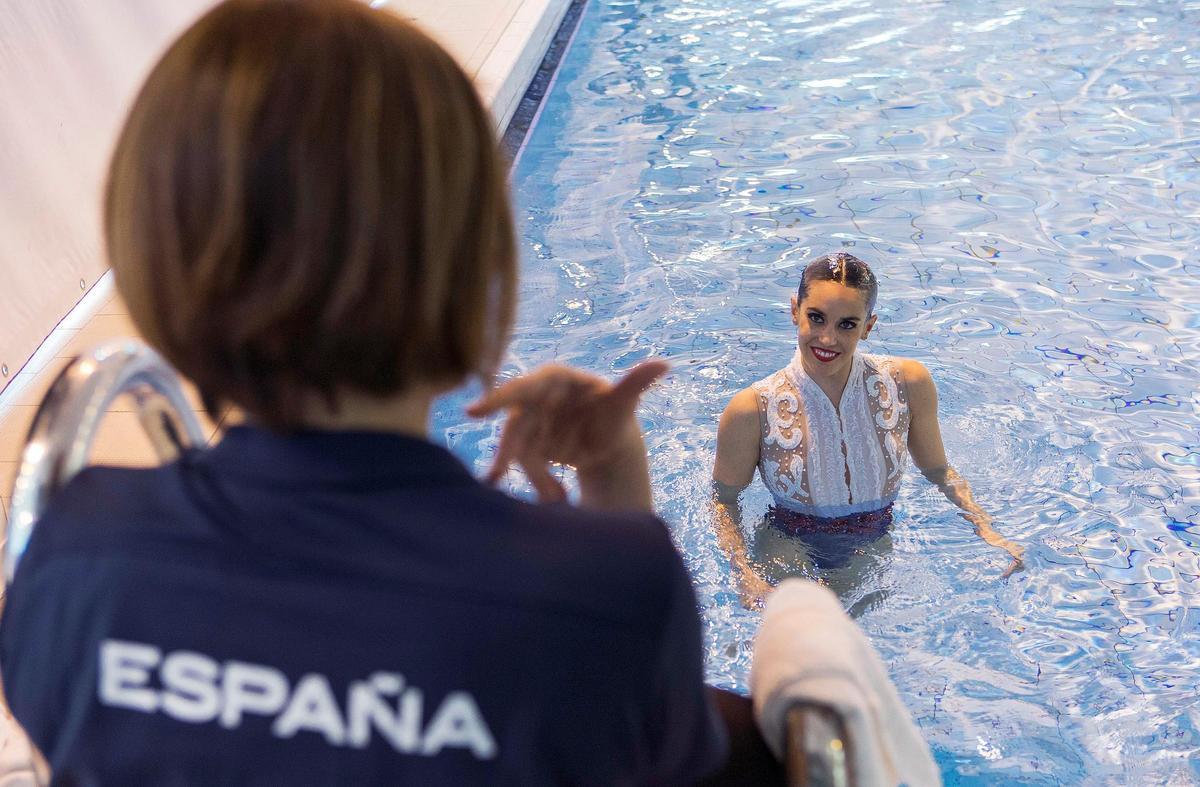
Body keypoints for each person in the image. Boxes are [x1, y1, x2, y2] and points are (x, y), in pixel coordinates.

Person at [0, 1, 781, 782]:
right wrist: (616, 500)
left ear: (155, 268)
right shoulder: (602, 594)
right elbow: (633, 739)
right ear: (480, 283)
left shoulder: (76, 551)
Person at [713, 252, 1024, 608]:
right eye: (816, 318)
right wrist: (744, 573)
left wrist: (986, 530)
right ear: (795, 311)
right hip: (787, 543)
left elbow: (939, 471)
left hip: (874, 540)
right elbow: (723, 501)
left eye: (847, 324)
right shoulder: (752, 409)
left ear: (868, 326)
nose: (827, 339)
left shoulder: (908, 384)